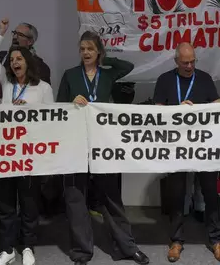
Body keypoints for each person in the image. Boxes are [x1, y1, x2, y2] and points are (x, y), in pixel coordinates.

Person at [56, 31, 148, 265]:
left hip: (104, 145)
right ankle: (81, 252)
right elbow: (59, 107)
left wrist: (106, 60)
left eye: (90, 49)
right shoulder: (70, 75)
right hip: (77, 144)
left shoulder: (108, 75)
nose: (86, 53)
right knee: (76, 199)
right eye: (83, 49)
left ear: (98, 52)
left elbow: (127, 66)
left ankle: (126, 247)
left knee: (111, 197)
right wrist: (71, 103)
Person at [0, 19, 51, 242]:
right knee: (1, 187)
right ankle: (1, 227)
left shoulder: (42, 74)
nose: (14, 63)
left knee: (27, 191)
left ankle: (27, 234)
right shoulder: (5, 73)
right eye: (12, 60)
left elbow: (47, 111)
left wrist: (29, 109)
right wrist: (0, 33)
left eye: (19, 34)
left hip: (29, 139)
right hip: (3, 137)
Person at [153, 42, 220, 263]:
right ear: (176, 62)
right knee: (176, 194)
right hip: (176, 147)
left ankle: (215, 240)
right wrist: (177, 110)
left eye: (193, 61)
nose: (189, 66)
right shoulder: (165, 80)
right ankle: (176, 240)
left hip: (203, 147)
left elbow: (217, 104)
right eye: (185, 62)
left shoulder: (204, 78)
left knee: (211, 193)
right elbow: (155, 111)